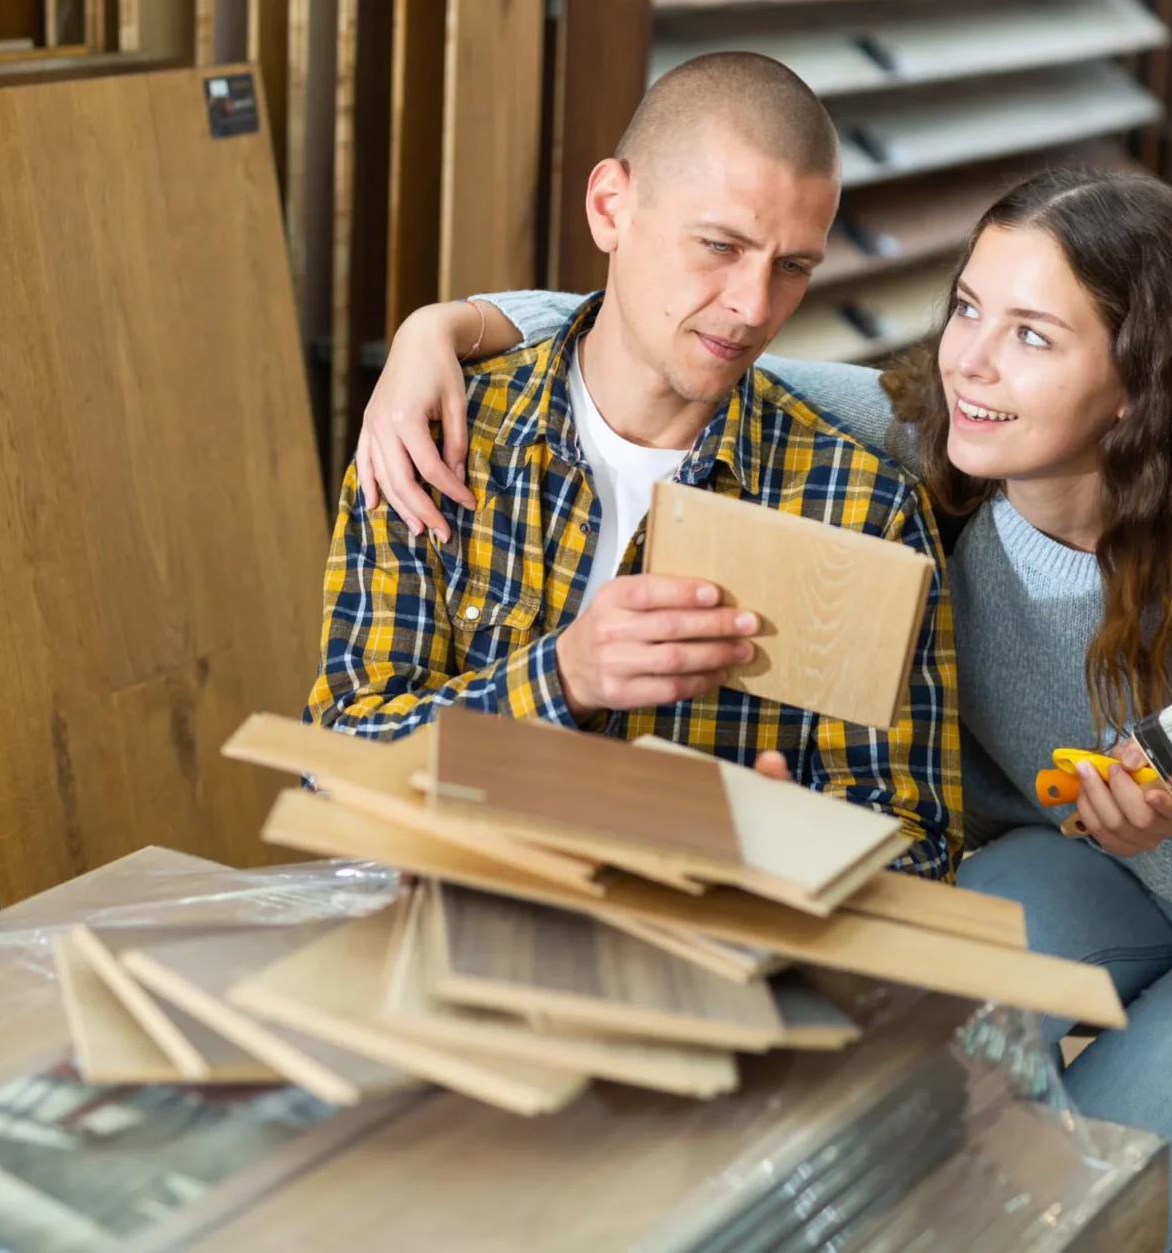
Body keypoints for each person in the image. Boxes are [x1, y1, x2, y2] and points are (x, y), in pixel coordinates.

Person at [359, 165, 1172, 1252]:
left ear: (1136, 386)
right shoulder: (943, 442)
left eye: (1030, 335)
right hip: (1071, 852)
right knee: (882, 1059)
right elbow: (675, 338)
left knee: (1075, 1222)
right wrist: (434, 332)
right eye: (968, 307)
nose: (967, 359)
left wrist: (1161, 843)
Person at [309, 51, 960, 877]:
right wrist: (562, 679)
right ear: (611, 206)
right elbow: (336, 773)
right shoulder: (434, 437)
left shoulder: (861, 510)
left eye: (793, 267)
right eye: (720, 245)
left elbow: (917, 842)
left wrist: (784, 854)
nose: (755, 309)